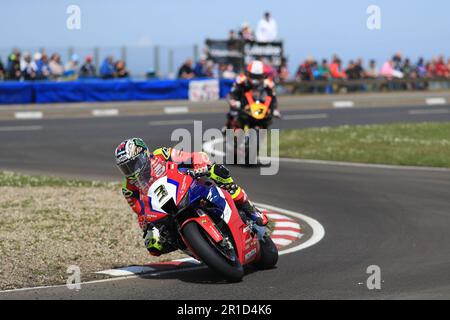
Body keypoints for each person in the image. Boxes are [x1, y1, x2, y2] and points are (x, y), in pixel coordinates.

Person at [115, 138, 269, 256]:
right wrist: (148, 228)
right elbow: (140, 213)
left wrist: (198, 164)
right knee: (153, 246)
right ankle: (196, 247)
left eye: (133, 164)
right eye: (125, 168)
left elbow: (190, 156)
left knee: (217, 172)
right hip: (164, 208)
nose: (130, 170)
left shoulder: (160, 154)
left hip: (187, 184)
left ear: (143, 156)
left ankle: (249, 209)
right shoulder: (128, 188)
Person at [223, 60, 280, 132]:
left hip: (259, 106)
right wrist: (233, 101)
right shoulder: (241, 79)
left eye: (258, 76)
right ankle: (228, 125)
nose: (255, 79)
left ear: (263, 75)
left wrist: (274, 109)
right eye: (253, 76)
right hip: (242, 102)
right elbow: (232, 93)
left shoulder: (269, 83)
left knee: (268, 117)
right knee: (234, 112)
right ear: (248, 73)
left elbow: (273, 97)